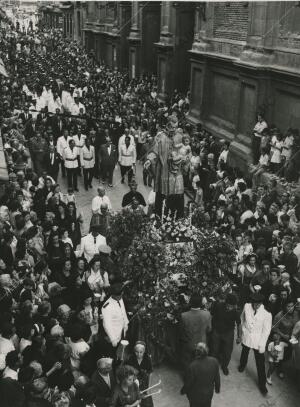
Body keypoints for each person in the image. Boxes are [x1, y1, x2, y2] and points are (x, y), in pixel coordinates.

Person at [238, 292, 272, 395]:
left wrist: (262, 345)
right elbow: (242, 318)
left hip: (258, 340)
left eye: (259, 304)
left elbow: (266, 331)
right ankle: (242, 365)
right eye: (255, 303)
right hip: (247, 336)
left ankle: (262, 385)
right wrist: (243, 330)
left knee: (260, 363)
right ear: (252, 302)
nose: (256, 305)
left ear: (261, 303)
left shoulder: (267, 314)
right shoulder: (247, 306)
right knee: (244, 351)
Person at [181, 342, 220, 407]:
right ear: (207, 350)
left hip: (195, 396)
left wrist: (183, 391)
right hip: (208, 394)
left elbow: (189, 382)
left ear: (196, 352)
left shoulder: (193, 366)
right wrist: (217, 389)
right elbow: (217, 378)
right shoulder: (214, 361)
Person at [211, 293, 241, 375]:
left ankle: (225, 366)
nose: (229, 307)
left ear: (234, 306)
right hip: (217, 331)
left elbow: (239, 324)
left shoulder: (236, 311)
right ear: (225, 303)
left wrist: (239, 336)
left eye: (231, 306)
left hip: (228, 333)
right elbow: (212, 316)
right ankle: (212, 366)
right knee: (214, 350)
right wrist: (212, 328)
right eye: (228, 305)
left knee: (227, 352)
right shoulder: (218, 306)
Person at [179, 294, 212, 371]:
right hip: (202, 344)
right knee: (200, 363)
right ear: (201, 303)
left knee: (187, 363)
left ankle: (188, 378)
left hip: (189, 343)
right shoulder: (207, 314)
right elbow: (209, 329)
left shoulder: (183, 316)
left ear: (190, 303)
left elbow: (181, 332)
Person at [101, 280, 129, 358]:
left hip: (120, 332)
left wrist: (126, 323)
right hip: (112, 336)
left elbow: (123, 311)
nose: (121, 296)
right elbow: (107, 324)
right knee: (111, 355)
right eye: (120, 295)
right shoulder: (107, 307)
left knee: (119, 353)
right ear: (114, 295)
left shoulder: (120, 299)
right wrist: (113, 339)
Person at [127, 341, 153, 407]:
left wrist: (149, 387)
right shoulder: (131, 358)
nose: (138, 354)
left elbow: (150, 373)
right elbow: (128, 373)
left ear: (144, 351)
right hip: (134, 382)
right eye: (136, 352)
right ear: (134, 351)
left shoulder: (147, 359)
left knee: (146, 401)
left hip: (144, 382)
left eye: (141, 352)